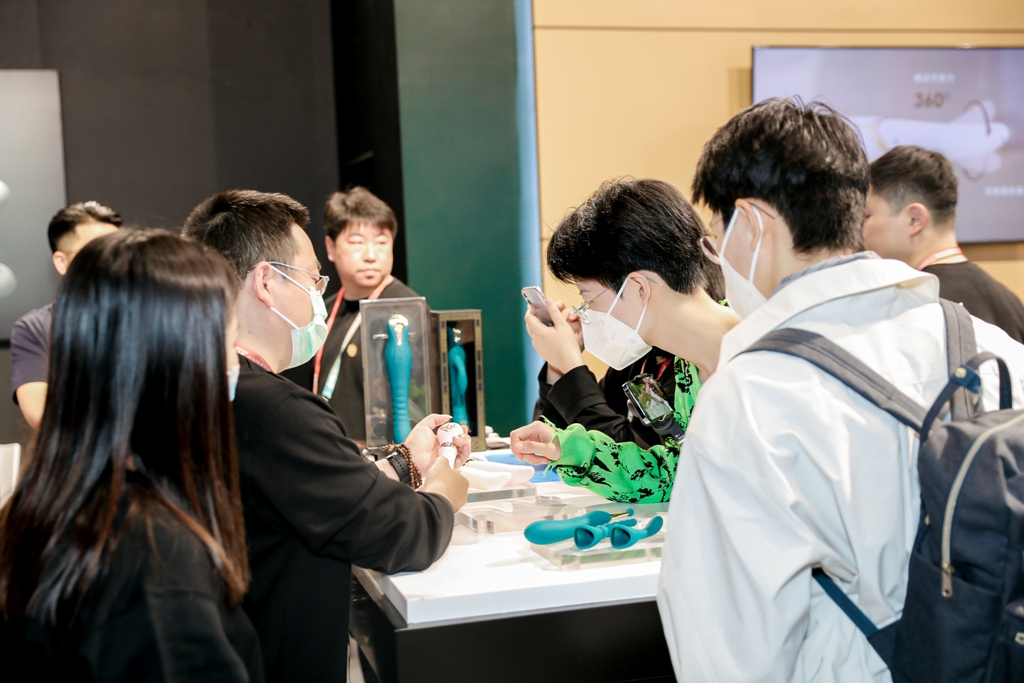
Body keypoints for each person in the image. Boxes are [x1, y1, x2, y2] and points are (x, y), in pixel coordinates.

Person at [657, 99, 1024, 682]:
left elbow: (726, 649)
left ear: (752, 222)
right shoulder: (994, 347)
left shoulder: (748, 395)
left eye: (718, 233)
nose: (719, 255)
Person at [182, 189, 469, 683]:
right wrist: (444, 489)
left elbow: (312, 491)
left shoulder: (205, 382)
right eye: (312, 278)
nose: (318, 293)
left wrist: (404, 460)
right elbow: (402, 534)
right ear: (266, 282)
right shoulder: (276, 409)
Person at [0, 229, 262, 682]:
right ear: (178, 364)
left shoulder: (37, 508)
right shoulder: (155, 560)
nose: (235, 366)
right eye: (228, 344)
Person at [510, 178, 737, 503]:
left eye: (588, 299)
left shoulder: (760, 351)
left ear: (638, 288)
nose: (585, 314)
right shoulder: (689, 367)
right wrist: (570, 449)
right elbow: (673, 474)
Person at [283, 187, 422, 446]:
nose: (370, 255)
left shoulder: (407, 312)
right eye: (357, 242)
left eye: (381, 242)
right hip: (330, 447)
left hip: (384, 455)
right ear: (331, 247)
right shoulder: (321, 309)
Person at [862, 145, 1024, 343]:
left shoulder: (909, 305)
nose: (859, 229)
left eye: (867, 215)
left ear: (915, 219)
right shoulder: (1010, 304)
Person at [10, 201, 122, 428]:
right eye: (94, 253)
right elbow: (40, 413)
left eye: (119, 252)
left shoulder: (153, 314)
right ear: (62, 262)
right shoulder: (36, 328)